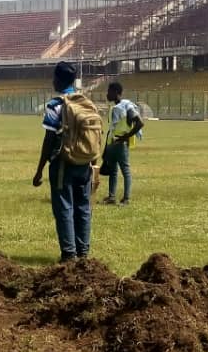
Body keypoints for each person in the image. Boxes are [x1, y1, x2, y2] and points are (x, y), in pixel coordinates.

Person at [33, 62, 99, 263]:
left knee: (64, 208)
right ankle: (83, 253)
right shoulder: (87, 103)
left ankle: (69, 255)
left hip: (64, 164)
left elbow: (49, 139)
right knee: (83, 208)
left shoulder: (56, 106)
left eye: (54, 78)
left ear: (59, 79)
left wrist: (39, 170)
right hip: (85, 163)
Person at [101, 82, 144, 206]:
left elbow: (140, 123)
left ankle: (126, 199)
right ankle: (111, 197)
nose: (107, 94)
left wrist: (126, 136)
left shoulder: (127, 107)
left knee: (125, 170)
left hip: (120, 144)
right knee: (112, 171)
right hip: (112, 143)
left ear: (115, 92)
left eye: (109, 91)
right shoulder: (114, 107)